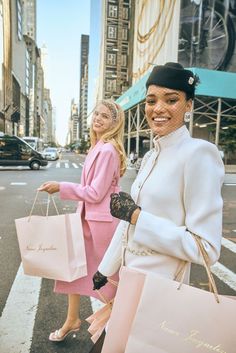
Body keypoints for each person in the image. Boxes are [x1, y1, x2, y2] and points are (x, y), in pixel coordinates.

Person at [92, 62, 224, 347]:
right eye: (151, 101)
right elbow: (129, 223)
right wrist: (106, 267)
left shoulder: (199, 154)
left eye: (171, 99)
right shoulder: (152, 156)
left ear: (189, 104)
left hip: (160, 296)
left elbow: (207, 248)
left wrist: (139, 216)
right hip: (130, 286)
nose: (158, 108)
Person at [38, 99, 126, 342]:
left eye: (105, 116)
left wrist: (60, 187)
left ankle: (117, 330)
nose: (98, 119)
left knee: (108, 280)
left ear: (114, 124)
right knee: (73, 272)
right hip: (88, 221)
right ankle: (72, 319)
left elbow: (96, 192)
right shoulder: (98, 146)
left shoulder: (107, 150)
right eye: (96, 114)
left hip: (101, 224)